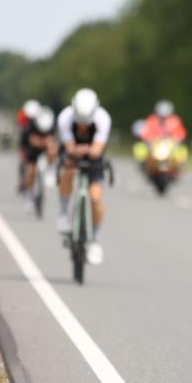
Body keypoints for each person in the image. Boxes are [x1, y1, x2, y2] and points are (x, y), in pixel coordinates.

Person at [56, 88, 111, 265]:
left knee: (95, 197)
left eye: (86, 122)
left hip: (94, 153)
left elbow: (98, 148)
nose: (83, 126)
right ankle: (64, 213)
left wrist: (90, 150)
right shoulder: (65, 117)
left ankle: (95, 238)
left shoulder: (103, 118)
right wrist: (75, 151)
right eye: (80, 121)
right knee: (68, 171)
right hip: (73, 152)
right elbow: (69, 146)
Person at [20, 105, 58, 211]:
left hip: (45, 147)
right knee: (31, 170)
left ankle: (51, 169)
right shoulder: (31, 125)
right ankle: (29, 197)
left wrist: (47, 143)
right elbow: (31, 140)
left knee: (53, 149)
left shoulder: (51, 124)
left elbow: (53, 141)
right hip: (33, 150)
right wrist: (43, 141)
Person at [17, 99, 42, 192]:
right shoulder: (23, 116)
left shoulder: (41, 119)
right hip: (25, 143)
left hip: (36, 145)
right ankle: (22, 178)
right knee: (23, 160)